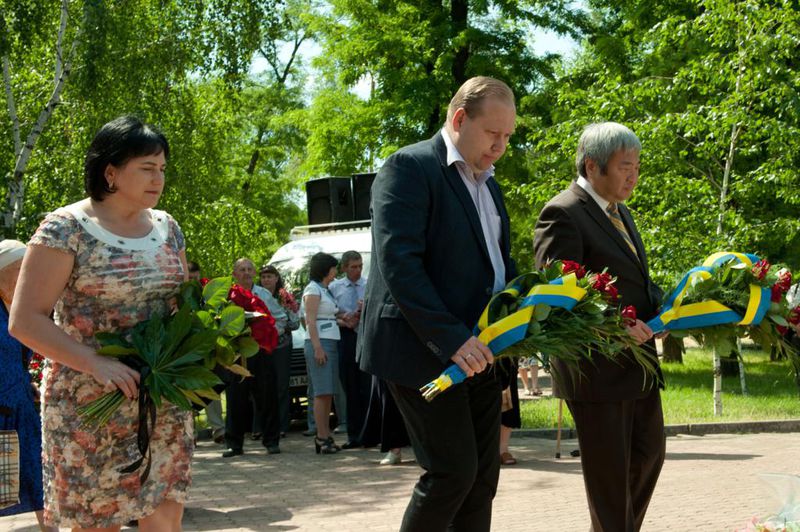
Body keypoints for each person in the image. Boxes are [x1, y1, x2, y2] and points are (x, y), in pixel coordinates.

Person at [9, 115, 191, 531]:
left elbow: (181, 308)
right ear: (111, 171)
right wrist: (96, 363)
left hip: (159, 399)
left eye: (162, 169)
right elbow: (24, 320)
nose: (157, 178)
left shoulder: (168, 228)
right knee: (96, 522)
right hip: (89, 405)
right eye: (146, 168)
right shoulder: (66, 228)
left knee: (165, 511)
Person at [357, 76, 517, 531]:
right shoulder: (408, 167)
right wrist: (451, 339)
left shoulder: (490, 185)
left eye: (508, 136)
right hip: (422, 351)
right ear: (460, 118)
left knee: (482, 479)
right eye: (493, 133)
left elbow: (496, 267)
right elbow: (399, 264)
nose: (501, 146)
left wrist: (529, 307)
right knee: (452, 474)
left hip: (482, 351)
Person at [533, 122, 665, 532]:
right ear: (593, 165)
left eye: (637, 166)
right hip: (597, 368)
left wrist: (672, 309)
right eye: (626, 166)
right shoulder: (563, 213)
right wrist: (615, 329)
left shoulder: (618, 210)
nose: (634, 175)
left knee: (648, 457)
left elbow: (635, 283)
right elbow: (558, 299)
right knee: (610, 480)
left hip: (637, 363)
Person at [0, 241, 55, 532]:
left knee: (38, 479)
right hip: (2, 408)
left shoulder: (22, 307)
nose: (25, 276)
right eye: (19, 269)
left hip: (21, 407)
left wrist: (27, 381)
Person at [221, 258, 281, 457]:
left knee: (266, 396)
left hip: (261, 352)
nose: (246, 273)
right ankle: (234, 444)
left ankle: (271, 441)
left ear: (254, 273)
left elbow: (280, 319)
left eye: (249, 269)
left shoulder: (264, 294)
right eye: (241, 270)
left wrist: (268, 335)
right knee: (235, 398)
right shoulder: (226, 296)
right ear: (234, 274)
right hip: (237, 354)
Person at [301, 252, 342, 454]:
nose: (335, 272)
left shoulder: (325, 290)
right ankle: (321, 436)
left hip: (331, 341)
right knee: (321, 391)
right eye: (333, 268)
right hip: (321, 343)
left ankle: (325, 434)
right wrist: (317, 347)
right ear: (325, 269)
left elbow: (330, 315)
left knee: (328, 392)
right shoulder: (313, 289)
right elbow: (310, 320)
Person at [329, 250, 371, 448]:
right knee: (350, 387)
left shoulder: (368, 284)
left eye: (360, 266)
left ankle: (371, 434)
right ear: (344, 268)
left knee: (367, 387)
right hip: (346, 338)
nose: (358, 270)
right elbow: (329, 314)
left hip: (365, 337)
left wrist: (365, 310)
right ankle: (354, 435)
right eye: (353, 267)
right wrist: (344, 317)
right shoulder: (335, 287)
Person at [259, 264, 300, 436]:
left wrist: (286, 311)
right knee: (262, 387)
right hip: (262, 347)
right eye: (264, 277)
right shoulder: (256, 295)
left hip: (282, 346)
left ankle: (282, 425)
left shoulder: (284, 297)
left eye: (270, 276)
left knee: (282, 387)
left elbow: (295, 323)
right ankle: (262, 427)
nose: (267, 279)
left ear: (276, 278)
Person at [188, 260, 226, 444]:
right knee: (188, 390)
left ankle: (218, 429)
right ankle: (191, 432)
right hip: (186, 347)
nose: (193, 278)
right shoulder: (179, 291)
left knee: (212, 387)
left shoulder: (207, 290)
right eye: (189, 274)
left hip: (208, 347)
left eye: (195, 274)